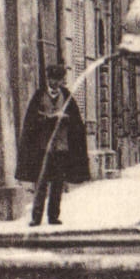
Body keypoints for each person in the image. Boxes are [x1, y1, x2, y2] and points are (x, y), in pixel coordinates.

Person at [16, 63, 90, 227]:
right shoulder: (39, 96)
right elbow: (32, 120)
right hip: (43, 149)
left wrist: (66, 118)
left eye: (58, 80)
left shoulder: (67, 96)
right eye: (52, 79)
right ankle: (36, 217)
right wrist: (49, 118)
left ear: (62, 80)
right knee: (41, 184)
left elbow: (76, 122)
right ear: (48, 79)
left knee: (57, 185)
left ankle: (53, 216)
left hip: (62, 149)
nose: (55, 83)